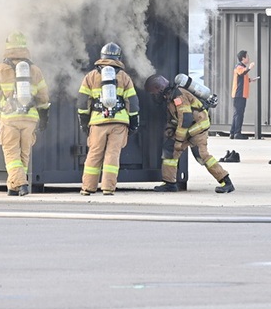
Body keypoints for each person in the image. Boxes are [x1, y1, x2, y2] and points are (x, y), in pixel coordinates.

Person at [0, 32, 51, 197]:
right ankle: (13, 187)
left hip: (10, 117)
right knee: (23, 153)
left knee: (11, 153)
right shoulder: (35, 70)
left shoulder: (0, 70)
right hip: (30, 117)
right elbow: (43, 97)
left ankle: (21, 184)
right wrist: (44, 117)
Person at [145, 74, 235, 194]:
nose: (154, 96)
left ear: (159, 88)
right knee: (169, 150)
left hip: (198, 127)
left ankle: (226, 182)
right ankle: (169, 183)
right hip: (188, 128)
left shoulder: (178, 95)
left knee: (202, 156)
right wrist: (170, 130)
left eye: (153, 93)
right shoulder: (170, 97)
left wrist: (179, 141)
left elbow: (186, 118)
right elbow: (175, 118)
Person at [76, 42, 139, 196]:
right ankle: (108, 188)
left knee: (94, 154)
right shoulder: (124, 77)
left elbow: (82, 101)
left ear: (102, 56)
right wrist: (133, 122)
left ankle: (87, 188)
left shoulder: (91, 76)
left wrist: (84, 122)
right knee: (112, 154)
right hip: (119, 123)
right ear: (118, 57)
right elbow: (133, 102)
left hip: (98, 122)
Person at [229, 50, 259, 139]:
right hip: (239, 94)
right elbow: (242, 73)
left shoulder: (241, 67)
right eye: (247, 56)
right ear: (243, 58)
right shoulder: (239, 67)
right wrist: (250, 67)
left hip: (240, 94)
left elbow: (241, 78)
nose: (248, 58)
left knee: (237, 114)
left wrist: (250, 80)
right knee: (239, 114)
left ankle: (233, 132)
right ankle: (237, 133)